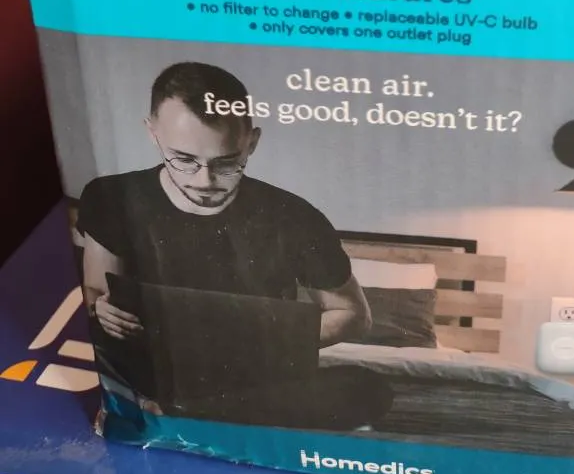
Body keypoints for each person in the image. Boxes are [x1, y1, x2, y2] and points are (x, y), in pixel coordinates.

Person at [78, 61, 391, 430]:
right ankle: (191, 411)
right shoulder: (111, 196)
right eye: (184, 160)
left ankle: (176, 413)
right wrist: (100, 308)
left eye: (227, 163)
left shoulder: (295, 217)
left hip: (252, 377)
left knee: (367, 389)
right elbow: (95, 290)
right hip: (153, 367)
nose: (205, 181)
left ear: (251, 142)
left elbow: (354, 315)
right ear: (153, 133)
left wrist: (251, 343)